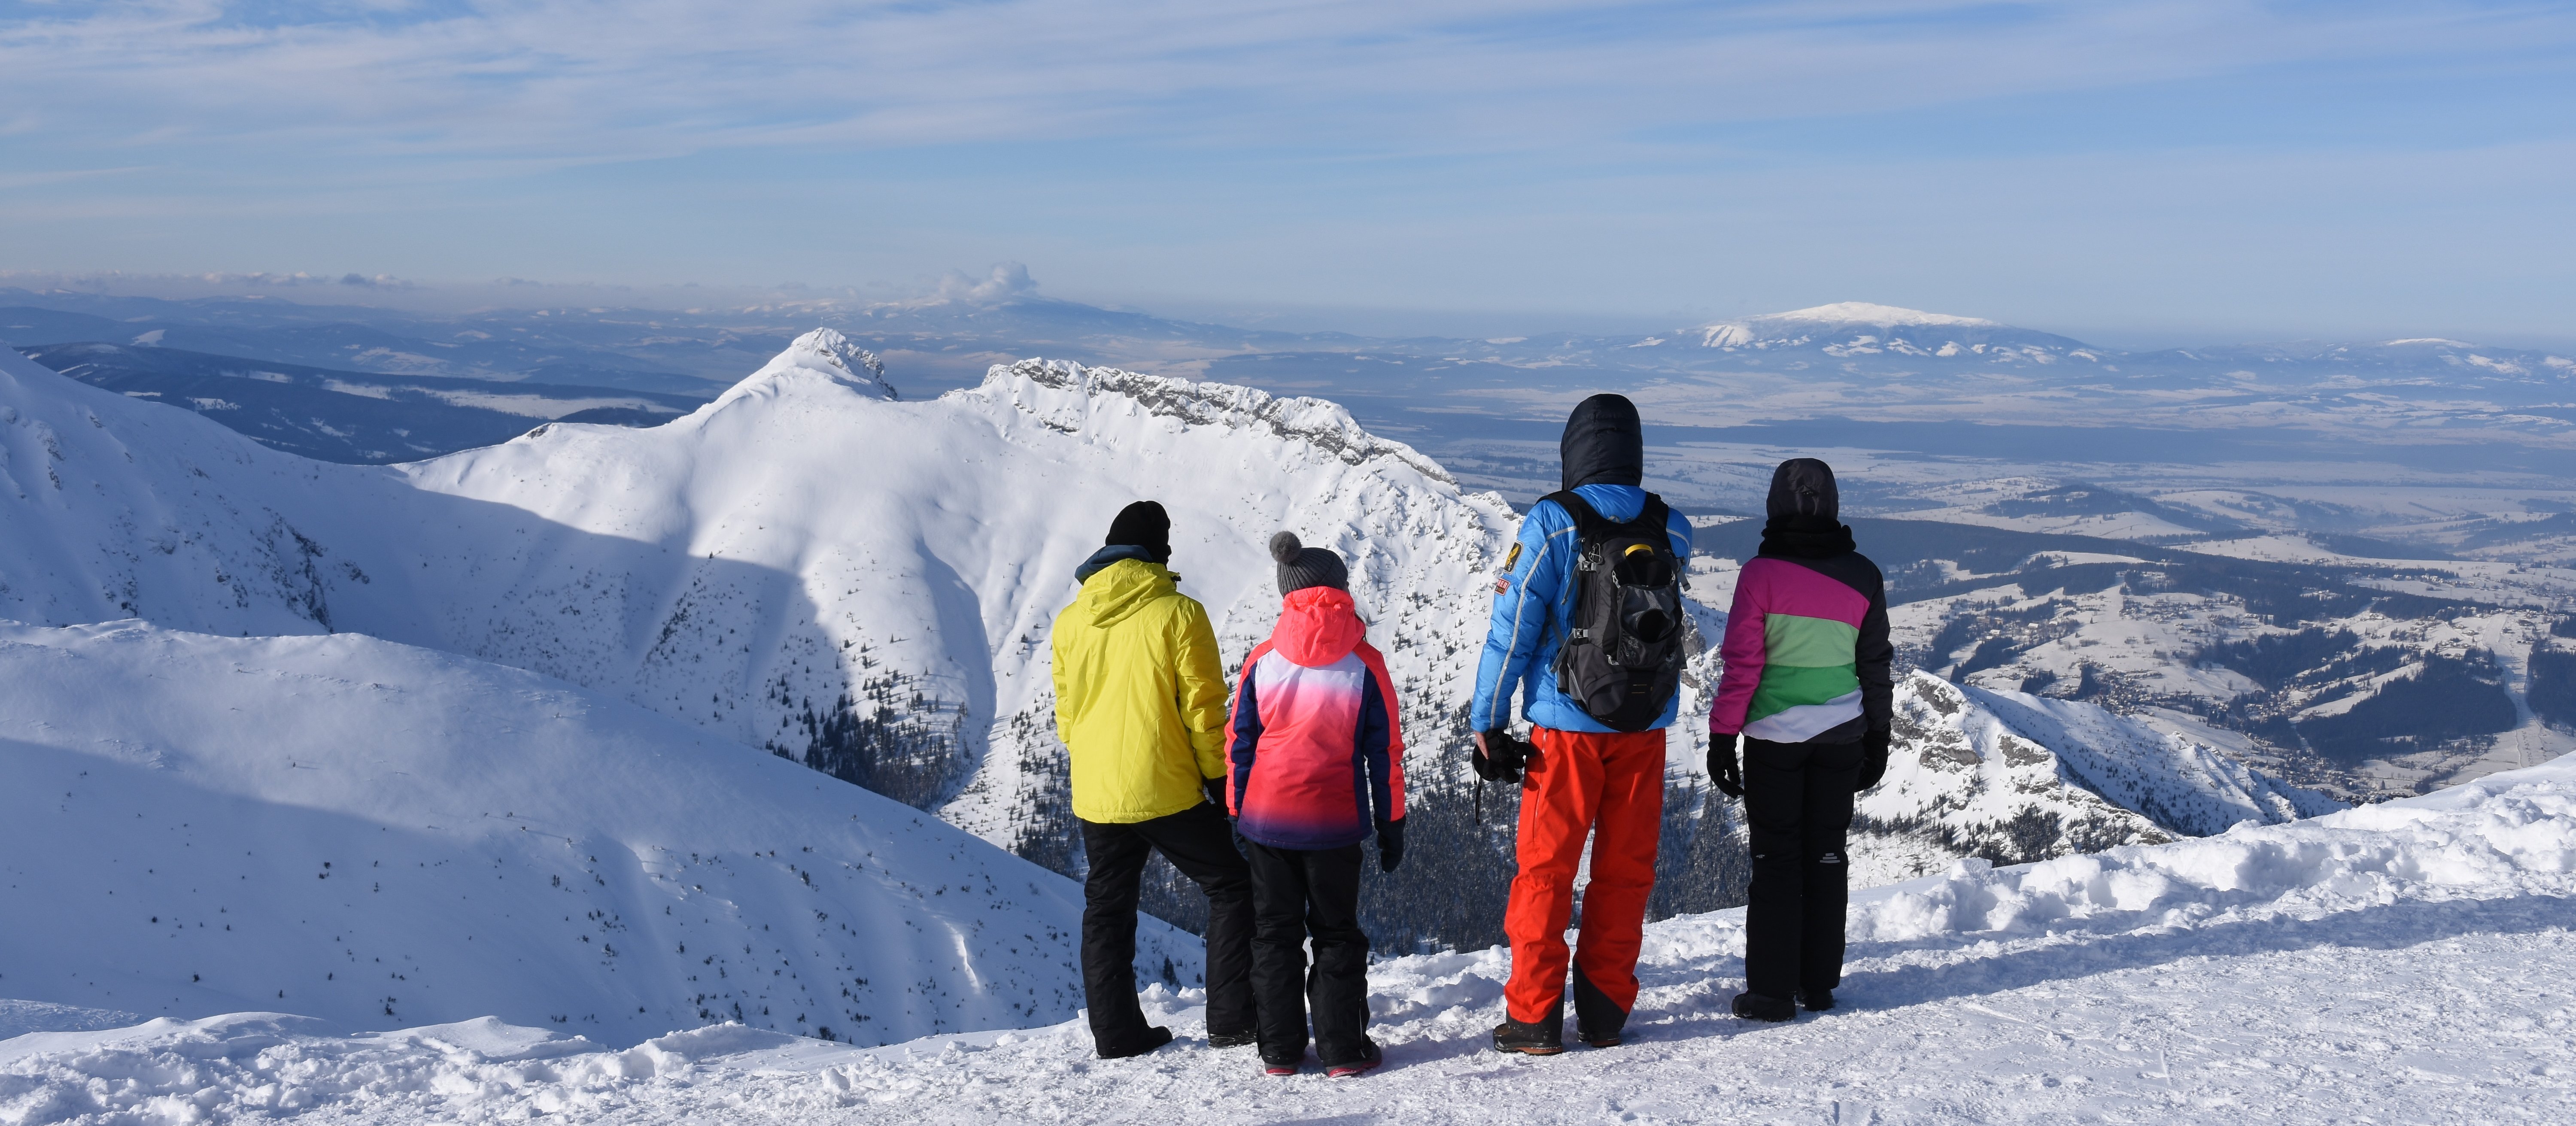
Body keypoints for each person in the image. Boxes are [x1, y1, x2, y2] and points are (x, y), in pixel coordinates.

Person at [1470, 393, 1695, 1055]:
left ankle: (1535, 1016)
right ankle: (1605, 1011)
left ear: (1573, 451)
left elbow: (1512, 628)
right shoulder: (1672, 525)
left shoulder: (1553, 521)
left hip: (1565, 730)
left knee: (1546, 871)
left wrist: (1489, 720)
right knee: (1625, 874)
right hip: (1644, 727)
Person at [1050, 500, 1257, 1058]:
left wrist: (1097, 764)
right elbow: (1204, 712)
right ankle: (1233, 1019)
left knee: (1107, 907)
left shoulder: (1070, 621)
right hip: (1165, 786)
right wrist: (1221, 780)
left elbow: (1067, 716)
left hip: (1097, 792)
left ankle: (1116, 1034)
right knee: (1232, 885)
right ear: (1158, 553)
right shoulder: (1179, 613)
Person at [1706, 458, 1893, 1023]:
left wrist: (1723, 736)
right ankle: (1818, 984)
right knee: (1828, 856)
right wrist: (1878, 735)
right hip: (1841, 738)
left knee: (1777, 860)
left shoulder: (1759, 575)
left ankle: (1771, 991)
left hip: (1774, 740)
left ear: (1773, 506)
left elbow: (1743, 666)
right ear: (1833, 504)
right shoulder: (1864, 574)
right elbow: (1874, 665)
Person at [1225, 532, 1407, 1079]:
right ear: (1341, 590)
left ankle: (1280, 1051)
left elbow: (1239, 744)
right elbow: (1385, 751)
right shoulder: (1365, 662)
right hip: (1334, 822)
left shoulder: (1262, 659)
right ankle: (1342, 1049)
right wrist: (1391, 822)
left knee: (1274, 934)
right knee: (1336, 932)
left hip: (1267, 821)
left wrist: (1236, 811)